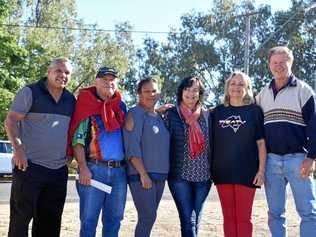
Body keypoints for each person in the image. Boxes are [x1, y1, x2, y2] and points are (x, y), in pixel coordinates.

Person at [4, 58, 76, 237]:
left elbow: (74, 130)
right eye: (59, 70)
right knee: (20, 221)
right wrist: (18, 149)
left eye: (67, 72)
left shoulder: (70, 99)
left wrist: (70, 154)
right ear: (49, 71)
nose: (63, 75)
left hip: (58, 171)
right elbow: (11, 120)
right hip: (29, 167)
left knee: (50, 224)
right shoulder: (30, 92)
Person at [256, 46, 316, 237]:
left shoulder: (304, 91)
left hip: (298, 159)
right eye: (275, 63)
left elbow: (314, 127)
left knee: (308, 212)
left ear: (291, 63)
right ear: (269, 65)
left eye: (283, 62)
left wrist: (311, 157)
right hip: (272, 161)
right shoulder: (262, 95)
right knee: (275, 213)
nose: (278, 66)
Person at [68, 66, 127, 237]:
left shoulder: (121, 106)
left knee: (114, 220)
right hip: (93, 170)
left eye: (112, 79)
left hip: (119, 172)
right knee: (88, 220)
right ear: (96, 82)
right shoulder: (86, 105)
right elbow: (77, 140)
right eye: (104, 79)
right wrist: (83, 167)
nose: (109, 82)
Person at [211, 71, 266, 237]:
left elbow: (261, 143)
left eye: (241, 84)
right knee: (228, 218)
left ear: (247, 88)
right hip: (222, 172)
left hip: (247, 172)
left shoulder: (255, 111)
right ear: (228, 87)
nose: (236, 87)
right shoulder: (217, 112)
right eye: (233, 83)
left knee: (243, 218)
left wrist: (261, 171)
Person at [164, 76, 212, 237]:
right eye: (187, 89)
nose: (191, 93)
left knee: (196, 219)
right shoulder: (171, 114)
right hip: (180, 177)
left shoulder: (207, 115)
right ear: (181, 91)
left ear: (200, 93)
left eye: (195, 90)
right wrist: (156, 111)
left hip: (204, 177)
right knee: (188, 220)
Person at [123, 77, 170, 237]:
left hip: (160, 175)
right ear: (139, 94)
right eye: (146, 91)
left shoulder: (159, 116)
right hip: (141, 175)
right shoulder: (134, 114)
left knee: (150, 217)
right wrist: (143, 174)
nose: (151, 94)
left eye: (154, 91)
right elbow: (132, 147)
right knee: (147, 216)